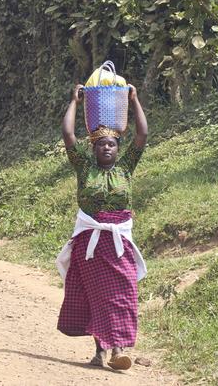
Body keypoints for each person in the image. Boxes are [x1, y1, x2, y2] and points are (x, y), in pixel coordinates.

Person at [56, 82, 148, 371]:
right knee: (96, 296)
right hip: (91, 243)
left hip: (119, 239)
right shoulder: (85, 168)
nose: (107, 147)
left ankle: (118, 349)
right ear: (93, 149)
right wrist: (74, 99)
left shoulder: (125, 168)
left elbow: (142, 134)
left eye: (111, 144)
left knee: (123, 294)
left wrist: (134, 100)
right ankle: (100, 351)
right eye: (101, 144)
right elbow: (68, 134)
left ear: (118, 149)